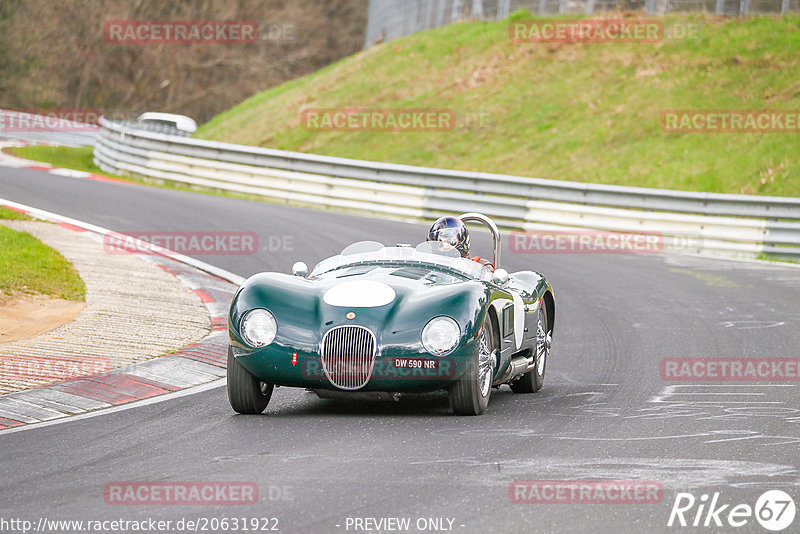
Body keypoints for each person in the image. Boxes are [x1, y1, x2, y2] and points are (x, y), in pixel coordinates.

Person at [427, 216, 493, 270]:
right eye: (439, 242)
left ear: (461, 239)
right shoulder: (427, 264)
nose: (445, 245)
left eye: (450, 241)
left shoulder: (479, 266)